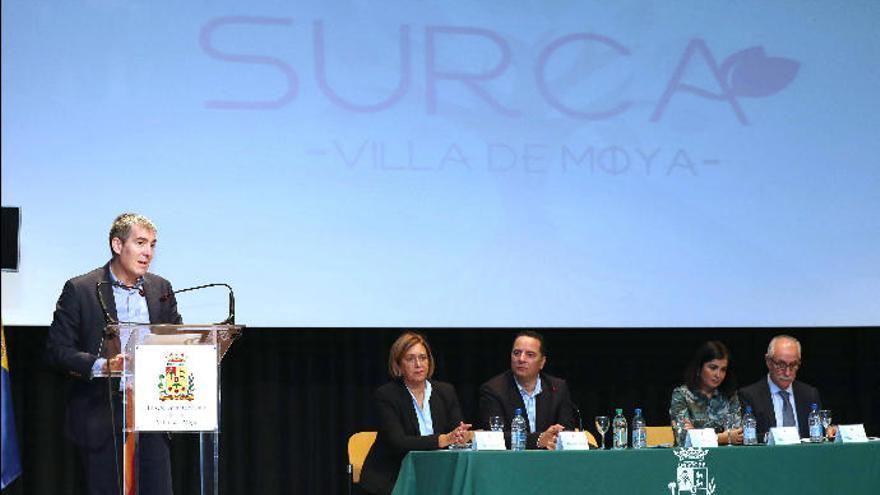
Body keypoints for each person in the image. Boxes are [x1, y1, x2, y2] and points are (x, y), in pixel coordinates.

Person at [45, 213, 182, 495]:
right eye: (141, 243)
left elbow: (176, 340)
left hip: (153, 414)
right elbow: (57, 351)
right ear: (117, 245)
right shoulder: (81, 289)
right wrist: (103, 366)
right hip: (101, 416)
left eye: (153, 245)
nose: (148, 253)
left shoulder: (161, 288)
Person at [360, 332, 470, 495]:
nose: (418, 364)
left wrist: (460, 436)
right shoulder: (386, 395)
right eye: (410, 359)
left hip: (438, 474)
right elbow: (398, 442)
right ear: (398, 365)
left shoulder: (445, 391)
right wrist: (442, 440)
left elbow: (456, 431)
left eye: (423, 358)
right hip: (393, 476)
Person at [478, 330, 575, 450]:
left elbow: (567, 429)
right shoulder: (493, 390)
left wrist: (555, 436)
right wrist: (539, 440)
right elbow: (494, 437)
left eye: (530, 354)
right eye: (517, 353)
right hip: (511, 462)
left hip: (551, 459)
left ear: (542, 362)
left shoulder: (558, 388)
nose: (521, 359)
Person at [738, 335, 832, 441]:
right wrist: (769, 437)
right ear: (768, 362)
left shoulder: (809, 394)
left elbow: (820, 433)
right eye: (781, 365)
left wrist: (830, 431)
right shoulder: (750, 395)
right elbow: (746, 436)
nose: (787, 372)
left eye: (793, 365)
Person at [669, 341, 743, 445]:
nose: (718, 375)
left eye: (723, 370)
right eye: (713, 368)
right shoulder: (681, 395)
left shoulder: (730, 395)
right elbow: (683, 438)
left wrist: (696, 434)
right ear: (699, 368)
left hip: (726, 457)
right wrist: (722, 438)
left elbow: (737, 436)